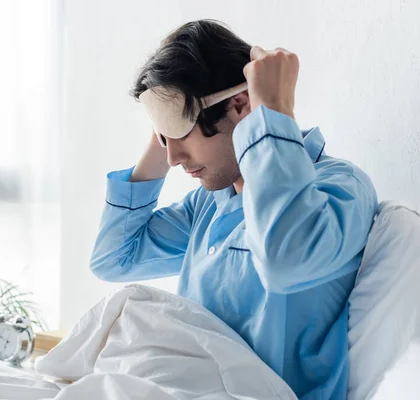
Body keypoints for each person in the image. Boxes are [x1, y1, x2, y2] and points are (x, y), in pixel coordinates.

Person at [89, 19, 378, 399]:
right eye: (163, 138)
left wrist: (273, 112)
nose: (172, 158)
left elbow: (285, 260)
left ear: (241, 105)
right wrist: (166, 130)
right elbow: (114, 259)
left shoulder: (340, 188)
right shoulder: (209, 204)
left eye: (180, 135)